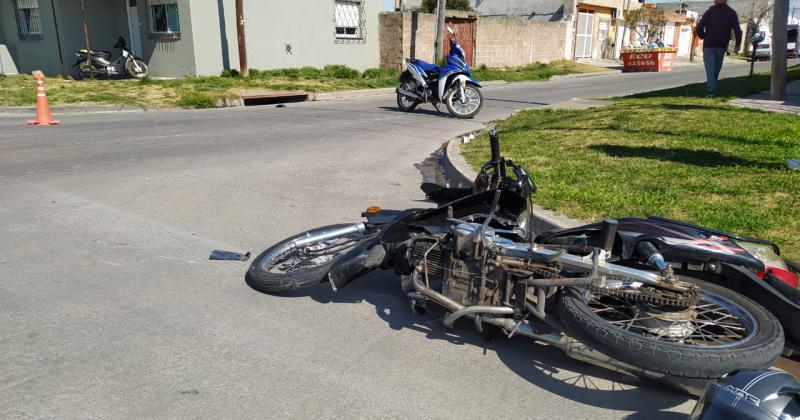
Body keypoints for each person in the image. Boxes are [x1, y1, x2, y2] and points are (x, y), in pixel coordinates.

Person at [696, 0, 742, 98]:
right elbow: (738, 30)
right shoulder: (731, 12)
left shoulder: (710, 11)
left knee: (711, 69)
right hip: (721, 45)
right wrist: (738, 44)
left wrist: (703, 36)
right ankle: (711, 90)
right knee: (715, 69)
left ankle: (711, 90)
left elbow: (699, 27)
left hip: (709, 44)